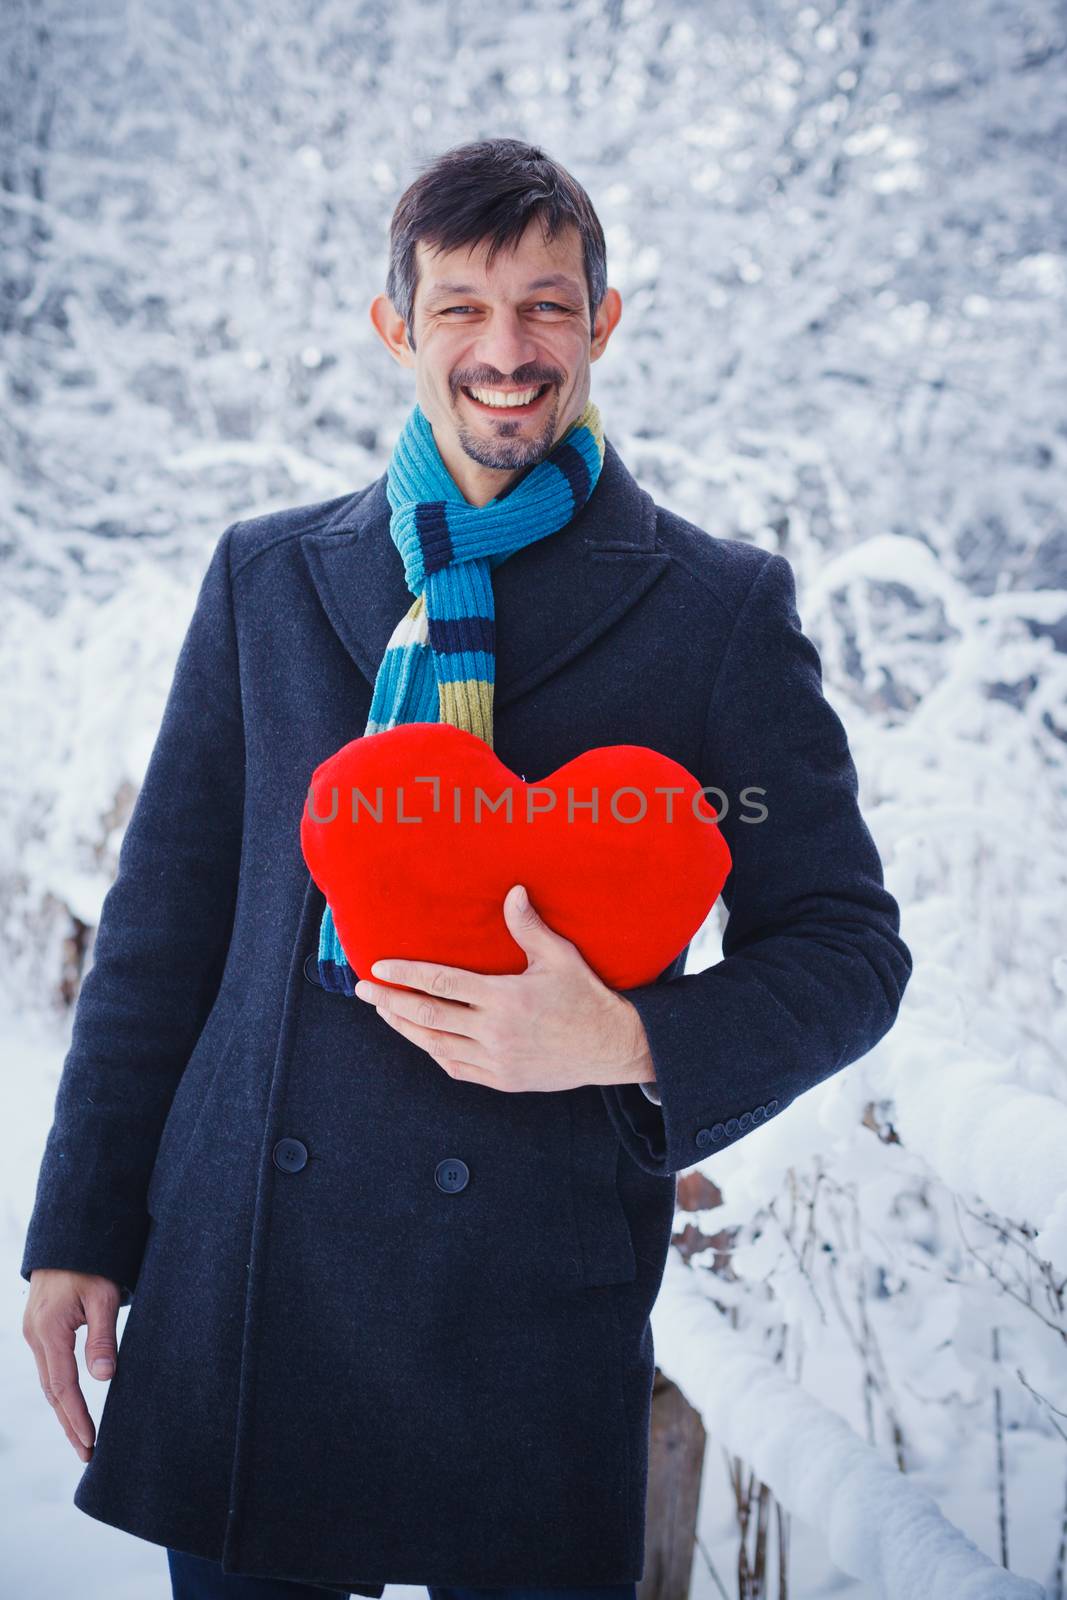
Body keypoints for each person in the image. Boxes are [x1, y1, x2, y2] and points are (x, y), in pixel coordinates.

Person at [21, 137, 912, 1598]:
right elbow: (161, 931)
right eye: (462, 308)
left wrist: (622, 1039)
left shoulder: (717, 611)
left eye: (549, 306)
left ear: (604, 323)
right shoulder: (267, 576)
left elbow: (849, 948)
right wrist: (77, 1228)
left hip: (523, 1310)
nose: (508, 352)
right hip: (250, 1278)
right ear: (397, 329)